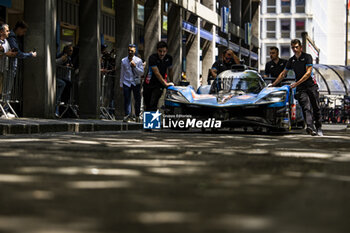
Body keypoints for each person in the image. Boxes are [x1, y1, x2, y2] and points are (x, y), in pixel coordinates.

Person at [270, 39, 322, 136]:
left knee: (316, 107)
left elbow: (307, 73)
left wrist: (296, 83)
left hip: (311, 85)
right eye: (293, 47)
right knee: (306, 106)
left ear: (300, 48)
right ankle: (310, 127)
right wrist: (273, 85)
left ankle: (319, 127)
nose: (294, 49)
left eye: (296, 47)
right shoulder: (291, 60)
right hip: (301, 87)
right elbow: (283, 74)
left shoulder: (307, 57)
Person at [143, 41, 174, 111]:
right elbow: (156, 72)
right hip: (149, 83)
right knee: (147, 104)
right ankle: (148, 120)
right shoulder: (152, 58)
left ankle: (153, 120)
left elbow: (170, 70)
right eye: (160, 51)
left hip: (159, 85)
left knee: (153, 103)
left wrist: (172, 81)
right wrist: (165, 83)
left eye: (164, 51)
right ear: (157, 50)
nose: (162, 54)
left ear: (167, 51)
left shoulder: (169, 58)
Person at [120, 44, 144, 122]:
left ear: (135, 51)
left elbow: (141, 73)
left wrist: (135, 66)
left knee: (137, 99)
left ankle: (137, 115)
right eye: (129, 50)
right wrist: (121, 83)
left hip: (135, 82)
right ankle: (127, 115)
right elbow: (122, 72)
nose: (130, 52)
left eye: (132, 51)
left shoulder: (138, 60)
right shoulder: (123, 60)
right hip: (126, 82)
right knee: (127, 99)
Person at [0, 23, 18, 118]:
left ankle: (4, 111)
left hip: (4, 68)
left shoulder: (6, 42)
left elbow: (9, 52)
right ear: (1, 31)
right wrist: (6, 53)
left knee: (4, 90)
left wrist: (6, 53)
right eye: (7, 30)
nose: (9, 32)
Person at [55, 44, 74, 117]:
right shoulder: (62, 56)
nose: (71, 52)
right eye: (70, 50)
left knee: (68, 84)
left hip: (65, 78)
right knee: (63, 84)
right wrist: (62, 60)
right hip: (59, 77)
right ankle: (58, 105)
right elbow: (57, 64)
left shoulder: (69, 58)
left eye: (72, 51)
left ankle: (64, 106)